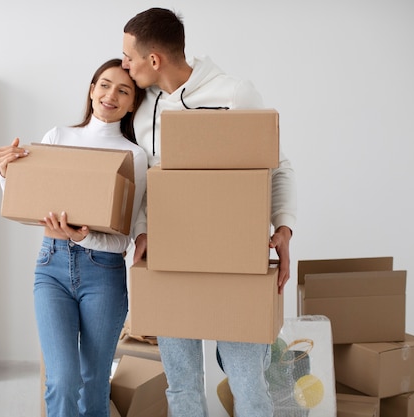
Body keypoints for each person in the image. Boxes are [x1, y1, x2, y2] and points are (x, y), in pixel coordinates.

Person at [122, 8, 297, 417]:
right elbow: (145, 181)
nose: (124, 64)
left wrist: (284, 228)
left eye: (129, 56)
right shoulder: (142, 106)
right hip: (170, 259)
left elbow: (278, 164)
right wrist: (144, 231)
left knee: (248, 385)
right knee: (181, 386)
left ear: (154, 60)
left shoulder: (233, 94)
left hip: (234, 262)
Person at [0, 58, 147, 417]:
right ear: (92, 90)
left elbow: (121, 241)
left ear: (132, 104)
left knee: (94, 379)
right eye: (105, 85)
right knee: (62, 380)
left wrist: (81, 238)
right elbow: (27, 203)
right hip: (51, 269)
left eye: (123, 90)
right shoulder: (58, 137)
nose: (111, 94)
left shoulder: (135, 157)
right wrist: (5, 173)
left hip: (104, 273)